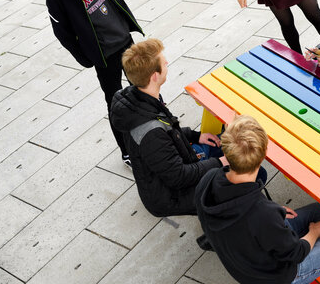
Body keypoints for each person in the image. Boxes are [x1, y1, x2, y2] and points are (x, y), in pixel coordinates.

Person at [195, 115, 320, 284]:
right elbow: (296, 253)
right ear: (263, 156)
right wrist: (313, 234)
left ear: (227, 153)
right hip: (275, 280)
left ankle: (317, 250)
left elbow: (245, 209)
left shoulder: (208, 179)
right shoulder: (263, 214)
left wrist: (277, 212)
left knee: (319, 212)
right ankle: (315, 264)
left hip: (243, 256)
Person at [109, 39, 260, 217]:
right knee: (254, 175)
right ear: (154, 76)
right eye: (162, 62)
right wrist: (221, 162)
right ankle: (223, 225)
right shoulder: (151, 134)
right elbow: (179, 176)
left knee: (226, 143)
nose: (166, 62)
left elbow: (168, 130)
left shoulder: (139, 97)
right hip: (171, 196)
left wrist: (196, 136)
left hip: (177, 162)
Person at [45, 0, 149, 167]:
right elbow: (63, 33)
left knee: (144, 86)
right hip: (104, 55)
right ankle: (127, 151)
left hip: (125, 39)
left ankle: (159, 130)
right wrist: (87, 57)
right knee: (116, 102)